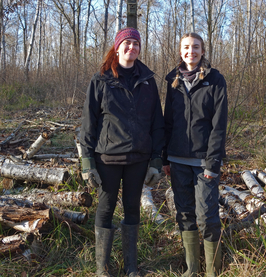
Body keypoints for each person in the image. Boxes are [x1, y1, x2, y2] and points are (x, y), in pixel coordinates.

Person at [79, 27, 165, 277]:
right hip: (107, 157)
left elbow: (157, 122)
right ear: (117, 48)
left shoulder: (148, 81)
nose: (132, 48)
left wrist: (156, 159)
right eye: (127, 43)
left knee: (132, 210)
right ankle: (102, 269)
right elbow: (88, 123)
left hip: (139, 158)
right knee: (105, 209)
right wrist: (87, 162)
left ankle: (130, 267)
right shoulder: (101, 80)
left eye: (136, 44)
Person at [162, 33, 228, 277]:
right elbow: (168, 121)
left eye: (196, 47)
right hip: (177, 160)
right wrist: (166, 157)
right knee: (185, 213)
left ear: (203, 50)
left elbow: (219, 125)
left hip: (204, 163)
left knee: (207, 215)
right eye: (186, 47)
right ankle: (192, 269)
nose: (191, 51)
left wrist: (213, 163)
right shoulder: (173, 80)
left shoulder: (215, 80)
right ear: (181, 51)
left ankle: (213, 271)